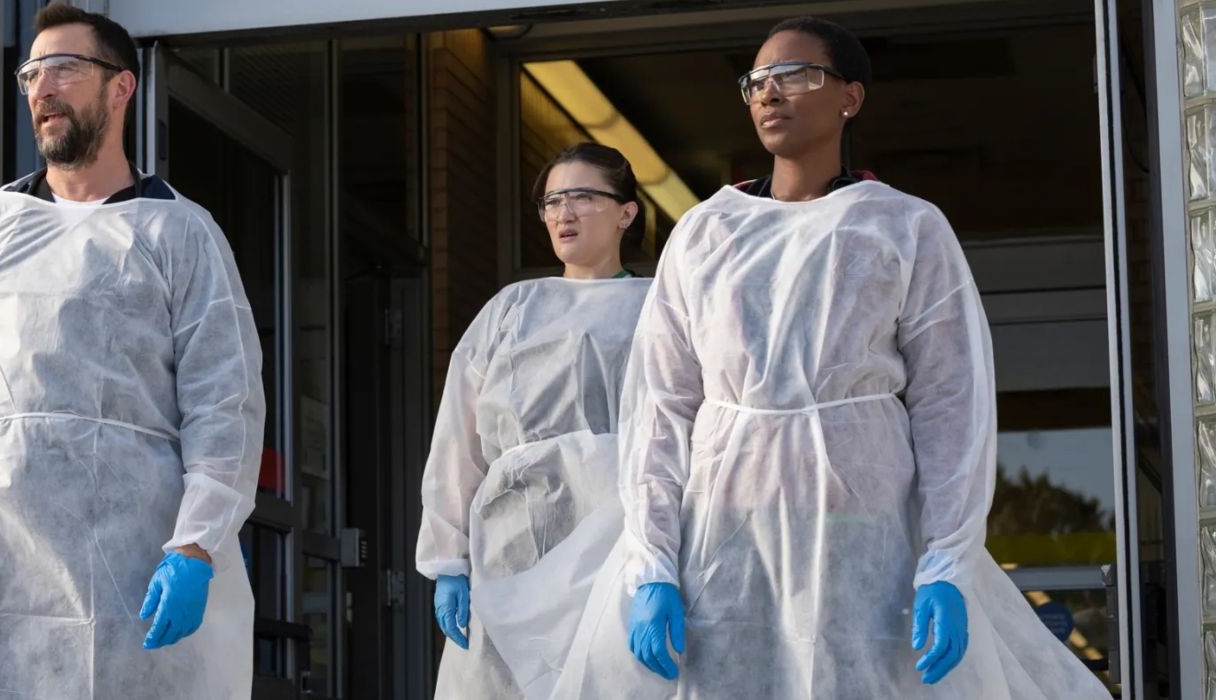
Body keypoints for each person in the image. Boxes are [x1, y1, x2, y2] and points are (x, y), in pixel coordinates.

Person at [551, 16, 1112, 699]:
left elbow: (950, 401)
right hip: (725, 540)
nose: (769, 93)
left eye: (795, 76)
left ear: (850, 97)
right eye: (756, 80)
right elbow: (660, 405)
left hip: (864, 537)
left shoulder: (902, 227)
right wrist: (653, 563)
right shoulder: (706, 232)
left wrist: (946, 560)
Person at [0, 4, 263, 698]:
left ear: (120, 87)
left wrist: (196, 545)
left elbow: (224, 407)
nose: (43, 88)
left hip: (133, 575)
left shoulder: (180, 235)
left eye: (65, 68)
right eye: (32, 73)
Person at [416, 143, 653, 698]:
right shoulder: (511, 310)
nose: (564, 213)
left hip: (620, 547)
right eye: (552, 201)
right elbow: (458, 440)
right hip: (512, 551)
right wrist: (448, 559)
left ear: (626, 212)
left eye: (583, 197)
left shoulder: (659, 306)